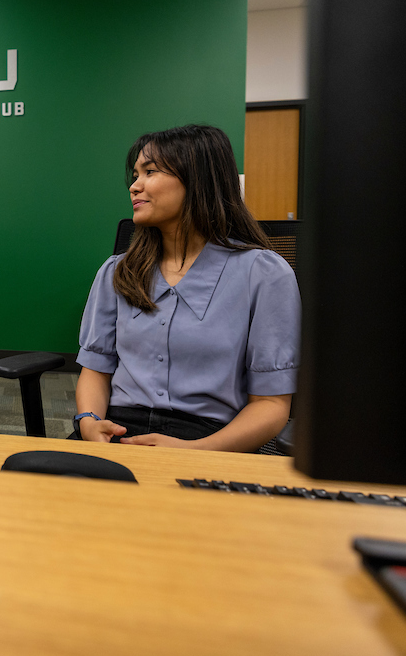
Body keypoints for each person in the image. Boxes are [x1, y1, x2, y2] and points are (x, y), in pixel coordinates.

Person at [72, 125, 299, 451]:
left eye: (149, 172)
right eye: (135, 175)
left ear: (198, 180)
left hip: (212, 438)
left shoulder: (264, 274)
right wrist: (89, 422)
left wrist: (193, 453)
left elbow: (272, 405)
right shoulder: (117, 271)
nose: (134, 187)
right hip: (117, 431)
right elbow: (95, 371)